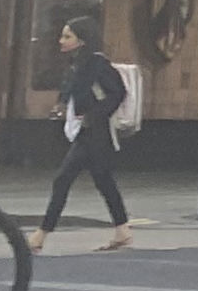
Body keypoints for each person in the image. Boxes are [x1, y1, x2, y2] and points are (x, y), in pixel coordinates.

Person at [32, 14, 136, 251]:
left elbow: (117, 92)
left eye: (67, 36)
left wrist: (95, 114)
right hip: (83, 130)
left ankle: (41, 234)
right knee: (104, 181)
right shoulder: (76, 63)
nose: (61, 40)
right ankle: (122, 230)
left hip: (95, 132)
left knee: (62, 180)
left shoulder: (98, 64)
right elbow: (71, 89)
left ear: (82, 40)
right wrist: (61, 105)